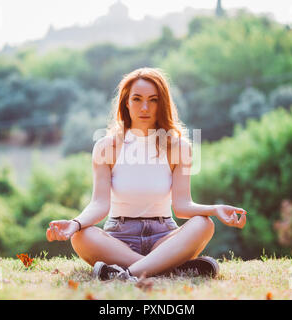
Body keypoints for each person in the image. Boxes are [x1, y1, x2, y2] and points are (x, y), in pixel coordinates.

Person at [46, 67, 247, 282]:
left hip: (164, 235)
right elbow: (99, 204)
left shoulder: (179, 147)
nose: (145, 107)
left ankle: (128, 273)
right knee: (81, 236)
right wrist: (75, 223)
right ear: (126, 102)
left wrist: (215, 209)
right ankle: (166, 266)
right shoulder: (107, 146)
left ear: (163, 104)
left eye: (153, 100)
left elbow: (182, 205)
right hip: (119, 238)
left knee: (204, 224)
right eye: (137, 99)